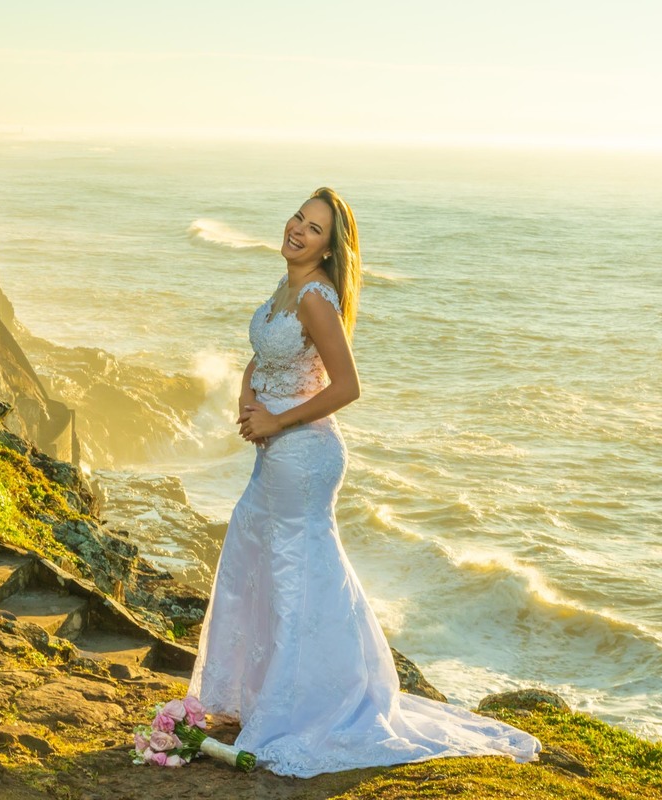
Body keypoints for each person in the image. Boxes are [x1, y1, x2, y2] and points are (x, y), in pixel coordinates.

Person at [187, 187, 541, 778]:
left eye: (315, 228)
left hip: (304, 455)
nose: (298, 229)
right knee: (259, 557)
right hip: (274, 453)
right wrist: (248, 396)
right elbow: (263, 356)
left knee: (298, 572)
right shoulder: (285, 287)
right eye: (299, 217)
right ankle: (263, 694)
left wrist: (276, 418)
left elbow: (347, 386)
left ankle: (310, 705)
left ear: (330, 249)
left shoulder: (318, 297)